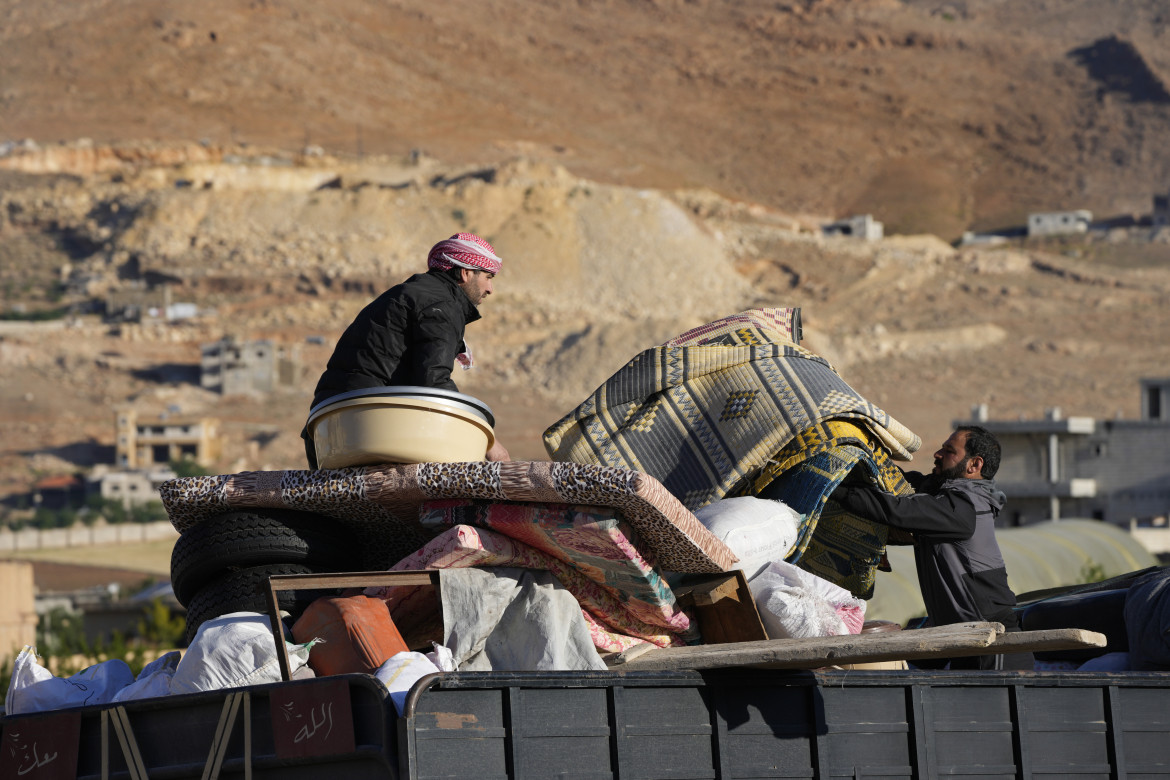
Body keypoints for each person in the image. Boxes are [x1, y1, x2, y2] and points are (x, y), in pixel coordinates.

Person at [830, 424, 1030, 670]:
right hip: (966, 639)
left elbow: (895, 509)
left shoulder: (964, 508)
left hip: (994, 643)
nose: (937, 454)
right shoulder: (946, 495)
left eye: (949, 451)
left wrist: (831, 487)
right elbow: (901, 482)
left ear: (974, 465)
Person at [303, 232, 510, 467]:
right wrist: (489, 443)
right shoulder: (441, 304)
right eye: (488, 277)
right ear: (465, 272)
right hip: (365, 429)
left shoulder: (412, 293)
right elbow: (433, 381)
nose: (490, 288)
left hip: (324, 432)